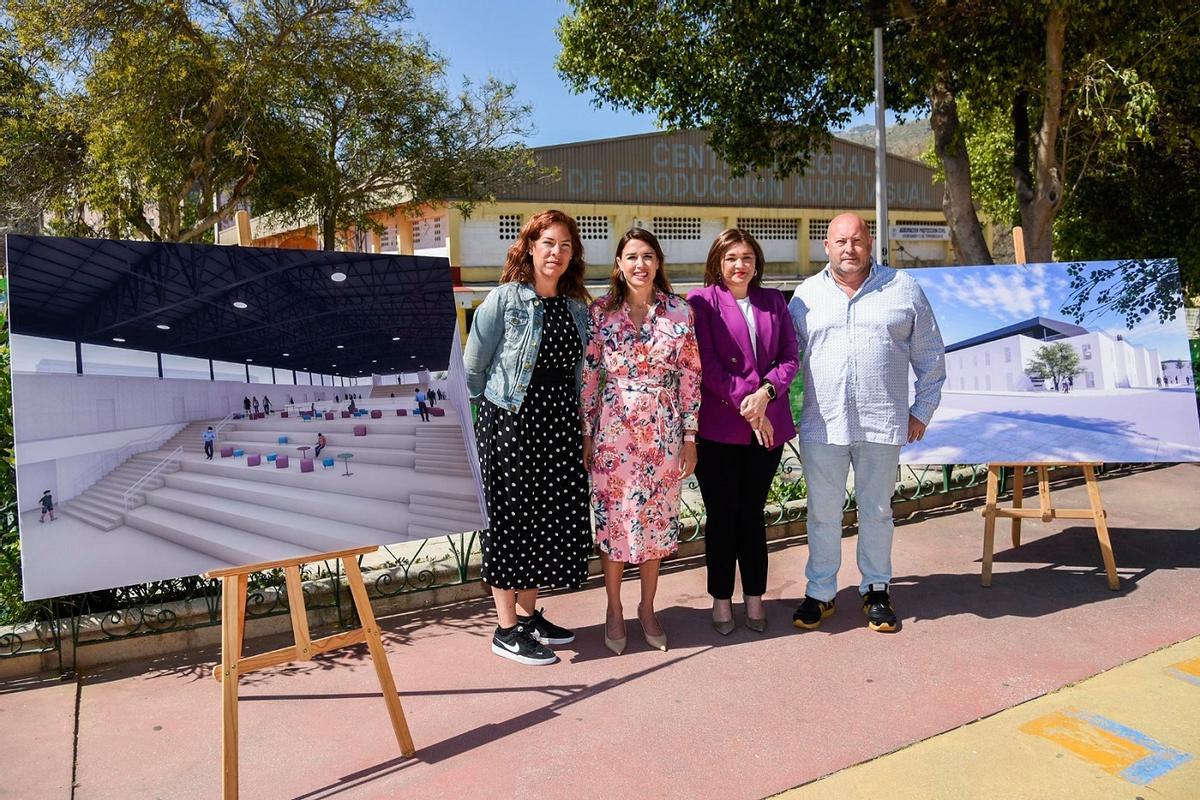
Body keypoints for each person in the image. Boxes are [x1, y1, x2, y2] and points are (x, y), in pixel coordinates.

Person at [788, 213, 945, 633]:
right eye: (840, 241)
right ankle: (820, 593)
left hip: (882, 423)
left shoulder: (903, 289)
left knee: (876, 511)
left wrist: (921, 411)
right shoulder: (804, 297)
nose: (849, 248)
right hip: (823, 425)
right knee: (822, 514)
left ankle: (876, 589)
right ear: (826, 246)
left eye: (856, 240)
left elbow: (931, 356)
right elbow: (785, 362)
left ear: (869, 242)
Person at [463, 209, 592, 666]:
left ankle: (528, 613)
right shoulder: (503, 300)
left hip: (558, 424)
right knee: (510, 520)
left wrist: (581, 427)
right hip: (512, 423)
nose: (555, 252)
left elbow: (579, 373)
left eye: (564, 245)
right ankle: (505, 629)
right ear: (530, 247)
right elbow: (472, 369)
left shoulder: (577, 307)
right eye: (547, 243)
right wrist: (489, 422)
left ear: (572, 254)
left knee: (544, 520)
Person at [582, 228, 701, 655]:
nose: (639, 264)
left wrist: (690, 436)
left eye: (647, 256)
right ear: (619, 264)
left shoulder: (679, 313)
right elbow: (590, 376)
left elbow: (690, 378)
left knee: (654, 523)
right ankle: (613, 609)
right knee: (614, 524)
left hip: (662, 434)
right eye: (631, 256)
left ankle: (648, 608)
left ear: (658, 263)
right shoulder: (600, 312)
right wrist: (586, 434)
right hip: (613, 435)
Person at [688, 229, 799, 635]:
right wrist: (750, 405)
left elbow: (790, 357)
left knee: (752, 515)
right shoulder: (700, 302)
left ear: (757, 262)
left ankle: (754, 596)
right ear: (718, 262)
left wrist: (766, 393)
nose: (740, 265)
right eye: (732, 257)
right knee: (722, 517)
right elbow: (707, 366)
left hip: (767, 429)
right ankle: (721, 599)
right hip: (720, 429)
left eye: (747, 257)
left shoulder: (773, 301)